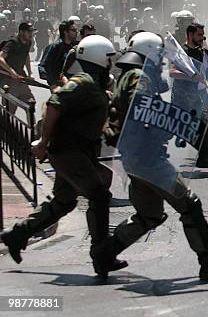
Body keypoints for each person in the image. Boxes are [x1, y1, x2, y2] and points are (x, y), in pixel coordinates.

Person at [99, 31, 208, 281]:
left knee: (150, 215)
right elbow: (141, 108)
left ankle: (104, 254)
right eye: (160, 57)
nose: (163, 62)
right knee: (190, 205)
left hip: (136, 159)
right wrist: (164, 123)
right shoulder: (138, 78)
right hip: (148, 160)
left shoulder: (127, 75)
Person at [0, 35, 126, 279]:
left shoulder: (93, 82)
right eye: (109, 58)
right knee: (99, 196)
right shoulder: (84, 81)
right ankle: (102, 255)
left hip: (77, 152)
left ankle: (17, 235)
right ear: (98, 57)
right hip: (70, 152)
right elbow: (55, 102)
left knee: (64, 201)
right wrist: (44, 142)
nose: (112, 63)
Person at [180, 23, 208, 168]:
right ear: (190, 35)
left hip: (203, 93)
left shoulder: (204, 52)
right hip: (187, 95)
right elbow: (173, 72)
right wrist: (191, 76)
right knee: (202, 124)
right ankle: (205, 157)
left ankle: (204, 155)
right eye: (199, 35)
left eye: (203, 35)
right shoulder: (182, 53)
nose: (202, 37)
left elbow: (206, 71)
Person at [0, 22, 36, 114]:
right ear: (21, 32)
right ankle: (7, 126)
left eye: (32, 31)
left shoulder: (28, 42)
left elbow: (26, 56)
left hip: (20, 78)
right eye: (29, 32)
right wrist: (11, 71)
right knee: (11, 107)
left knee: (30, 102)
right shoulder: (12, 43)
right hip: (7, 79)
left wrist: (30, 72)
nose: (31, 34)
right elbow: (0, 58)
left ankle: (33, 126)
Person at [39, 20, 79, 90]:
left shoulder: (75, 47)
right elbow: (43, 66)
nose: (76, 32)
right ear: (65, 32)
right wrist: (53, 84)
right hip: (59, 86)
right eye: (73, 30)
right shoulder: (55, 47)